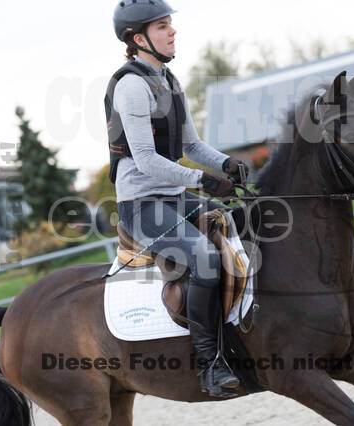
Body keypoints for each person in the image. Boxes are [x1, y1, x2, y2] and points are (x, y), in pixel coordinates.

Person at [108, 0, 249, 398]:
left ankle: (241, 333)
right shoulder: (131, 86)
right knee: (204, 258)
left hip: (173, 197)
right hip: (142, 206)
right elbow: (147, 160)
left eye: (170, 26)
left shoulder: (169, 80)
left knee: (235, 221)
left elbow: (191, 144)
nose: (172, 32)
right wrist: (203, 181)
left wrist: (226, 164)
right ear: (139, 39)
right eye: (163, 27)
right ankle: (209, 364)